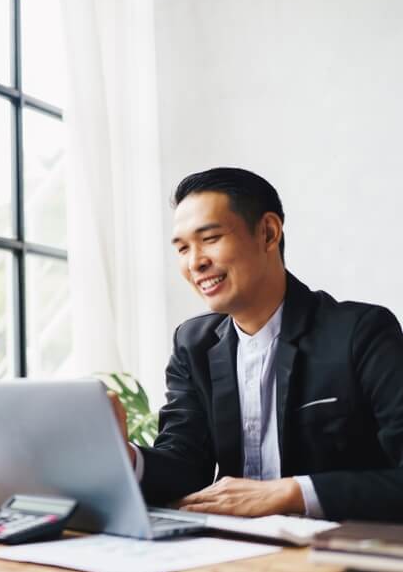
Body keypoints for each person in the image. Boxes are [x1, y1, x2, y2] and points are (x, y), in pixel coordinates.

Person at [114, 167, 403, 521]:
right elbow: (185, 463)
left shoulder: (362, 333)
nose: (195, 262)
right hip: (232, 551)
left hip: (336, 549)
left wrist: (291, 492)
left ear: (268, 232)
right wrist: (123, 457)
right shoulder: (193, 343)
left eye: (210, 238)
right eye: (182, 248)